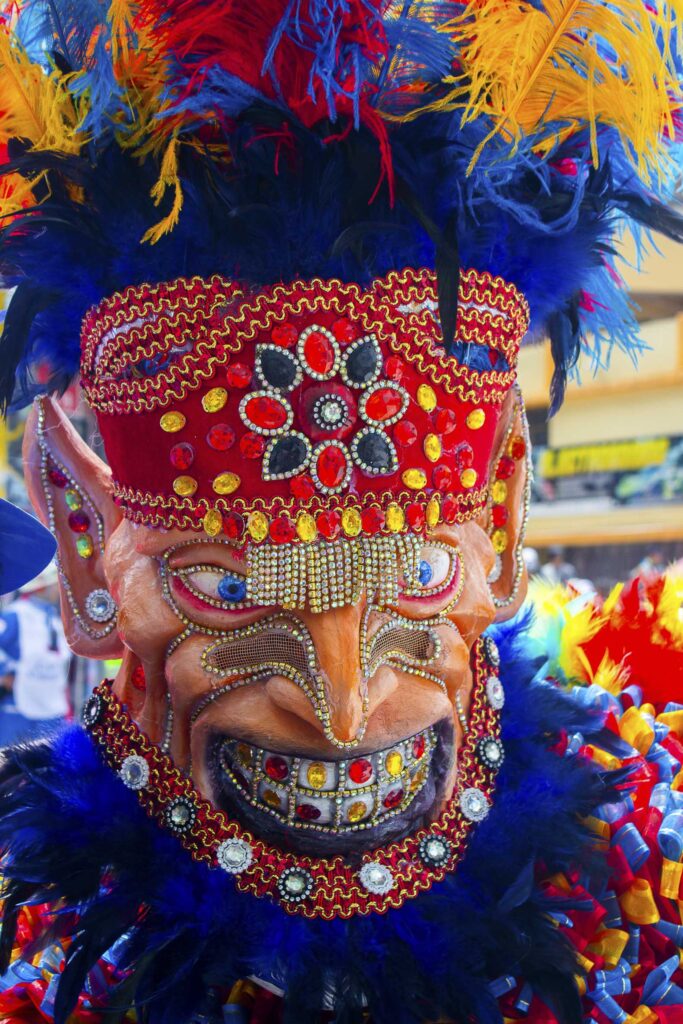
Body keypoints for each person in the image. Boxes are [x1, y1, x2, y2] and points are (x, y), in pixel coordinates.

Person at [0, 3, 681, 1024]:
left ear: (495, 526)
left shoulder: (654, 854)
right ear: (91, 555)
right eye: (226, 586)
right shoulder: (31, 943)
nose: (342, 707)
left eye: (411, 576)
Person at [0, 564, 71, 746]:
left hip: (52, 710)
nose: (58, 588)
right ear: (41, 587)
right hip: (18, 711)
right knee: (12, 768)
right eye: (54, 584)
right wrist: (3, 675)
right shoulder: (14, 615)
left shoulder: (56, 618)